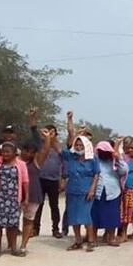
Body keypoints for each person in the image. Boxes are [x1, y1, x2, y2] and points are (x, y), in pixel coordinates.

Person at [0, 138, 29, 258]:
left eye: (8, 151)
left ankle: (13, 248)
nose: (5, 154)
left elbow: (25, 181)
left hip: (13, 198)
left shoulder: (21, 164)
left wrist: (26, 197)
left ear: (15, 153)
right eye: (3, 151)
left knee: (12, 225)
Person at [62, 111, 100, 252]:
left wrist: (92, 189)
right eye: (76, 145)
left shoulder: (92, 158)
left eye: (81, 145)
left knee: (86, 216)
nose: (78, 147)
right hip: (72, 190)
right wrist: (70, 119)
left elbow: (96, 174)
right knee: (73, 216)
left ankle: (90, 240)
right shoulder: (70, 156)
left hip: (86, 191)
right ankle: (77, 240)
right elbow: (70, 135)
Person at [27, 109, 64, 238]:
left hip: (54, 180)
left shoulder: (59, 148)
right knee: (38, 204)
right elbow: (33, 129)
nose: (50, 134)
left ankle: (55, 229)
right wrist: (32, 117)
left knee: (54, 206)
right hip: (40, 179)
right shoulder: (39, 144)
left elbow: (63, 165)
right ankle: (35, 229)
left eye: (53, 132)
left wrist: (62, 180)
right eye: (48, 132)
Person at [19, 131, 53, 254]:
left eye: (31, 152)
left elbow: (45, 151)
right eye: (26, 151)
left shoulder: (36, 162)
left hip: (33, 195)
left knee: (28, 220)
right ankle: (11, 244)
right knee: (11, 221)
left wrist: (48, 138)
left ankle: (23, 245)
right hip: (15, 195)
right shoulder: (15, 160)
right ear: (21, 150)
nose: (28, 154)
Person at [92, 140, 127, 246]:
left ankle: (111, 238)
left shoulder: (114, 161)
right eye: (101, 151)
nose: (103, 153)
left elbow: (123, 171)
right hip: (97, 191)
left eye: (105, 151)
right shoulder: (95, 160)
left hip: (112, 191)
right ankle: (93, 238)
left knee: (112, 216)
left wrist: (117, 158)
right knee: (94, 215)